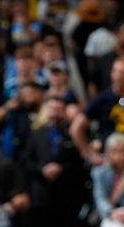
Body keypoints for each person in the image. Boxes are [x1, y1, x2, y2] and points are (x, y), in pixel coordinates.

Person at [22, 95, 87, 226]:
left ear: (64, 111)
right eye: (52, 108)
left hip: (68, 193)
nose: (55, 112)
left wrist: (62, 168)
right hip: (42, 194)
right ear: (46, 110)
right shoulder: (36, 133)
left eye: (59, 109)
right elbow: (26, 161)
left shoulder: (73, 133)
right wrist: (42, 169)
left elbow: (81, 161)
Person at [91, 133, 124, 227]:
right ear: (108, 152)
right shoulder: (99, 172)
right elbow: (100, 197)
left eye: (123, 151)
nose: (119, 155)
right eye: (115, 151)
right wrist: (111, 212)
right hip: (108, 213)